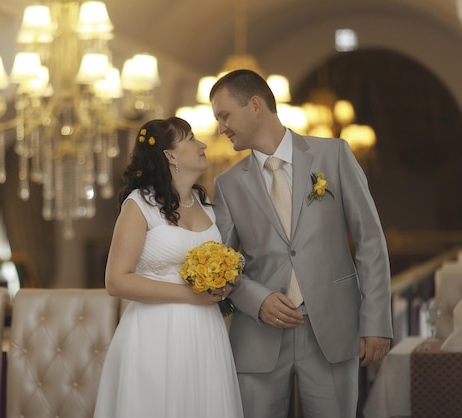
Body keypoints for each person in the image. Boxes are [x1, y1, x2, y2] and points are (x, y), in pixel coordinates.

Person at [209, 69, 393, 418]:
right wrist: (257, 299)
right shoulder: (228, 184)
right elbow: (221, 265)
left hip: (333, 331)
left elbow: (370, 241)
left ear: (255, 106)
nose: (221, 128)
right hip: (258, 337)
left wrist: (376, 323)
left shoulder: (334, 155)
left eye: (225, 115)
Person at [93, 117, 244, 418]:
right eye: (190, 138)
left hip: (206, 331)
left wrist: (224, 280)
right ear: (170, 155)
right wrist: (192, 295)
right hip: (155, 333)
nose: (202, 144)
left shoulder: (205, 203)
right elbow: (116, 281)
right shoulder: (140, 204)